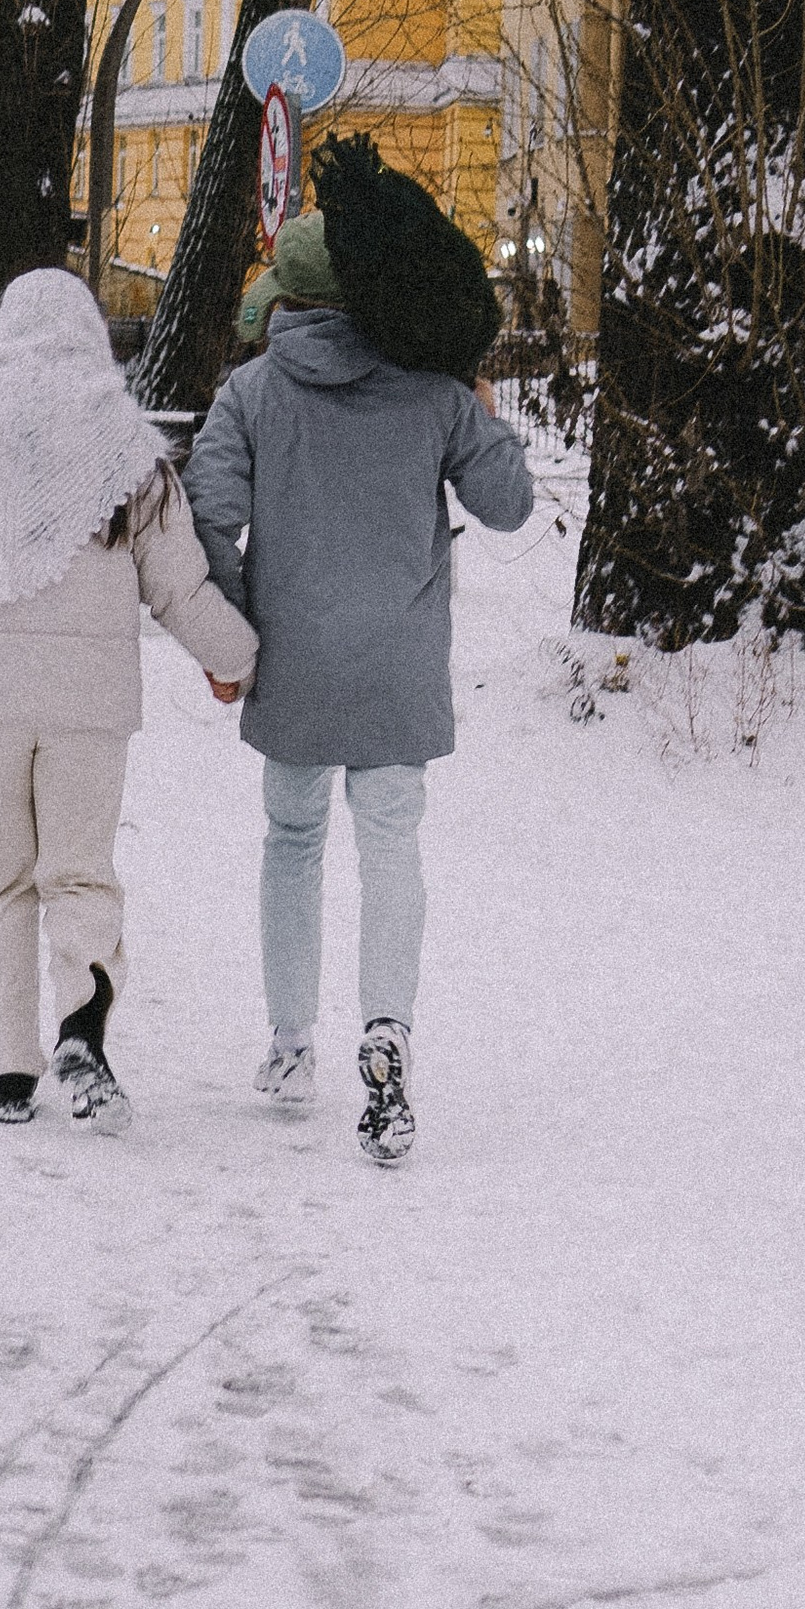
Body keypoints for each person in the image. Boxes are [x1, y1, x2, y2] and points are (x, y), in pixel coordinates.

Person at [184, 138, 533, 1166]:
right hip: (396, 662)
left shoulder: (251, 395)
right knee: (391, 843)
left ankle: (291, 1043)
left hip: (290, 656)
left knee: (291, 840)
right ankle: (386, 1030)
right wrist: (479, 410)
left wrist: (234, 630)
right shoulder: (432, 392)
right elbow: (508, 506)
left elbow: (208, 517)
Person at [0, 266, 257, 1131]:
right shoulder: (125, 444)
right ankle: (81, 1020)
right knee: (79, 871)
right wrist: (238, 658)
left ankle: (9, 1069)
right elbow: (179, 588)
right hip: (88, 705)